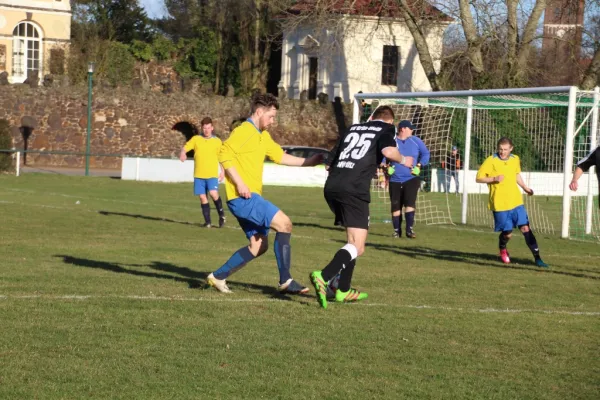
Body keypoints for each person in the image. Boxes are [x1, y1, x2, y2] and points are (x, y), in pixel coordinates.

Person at [207, 93, 324, 294]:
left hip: (249, 198)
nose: (272, 121)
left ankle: (217, 277)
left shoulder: (262, 135)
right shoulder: (245, 130)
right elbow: (223, 153)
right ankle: (285, 281)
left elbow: (280, 156)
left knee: (258, 245)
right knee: (285, 224)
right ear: (259, 111)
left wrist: (310, 162)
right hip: (244, 197)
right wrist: (240, 183)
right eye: (270, 116)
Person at [308, 106, 414, 309]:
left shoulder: (353, 128)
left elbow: (329, 163)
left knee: (353, 243)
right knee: (358, 245)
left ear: (372, 117)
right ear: (390, 122)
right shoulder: (386, 130)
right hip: (354, 189)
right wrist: (404, 160)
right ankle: (325, 276)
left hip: (332, 186)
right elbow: (389, 151)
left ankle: (343, 290)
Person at [475, 137, 548, 268]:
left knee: (525, 228)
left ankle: (538, 259)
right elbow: (479, 178)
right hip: (499, 204)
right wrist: (494, 178)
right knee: (508, 233)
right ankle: (502, 248)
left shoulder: (515, 159)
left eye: (505, 149)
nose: (502, 152)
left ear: (511, 149)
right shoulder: (491, 160)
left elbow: (516, 175)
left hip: (516, 201)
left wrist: (525, 187)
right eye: (500, 149)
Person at [385, 120, 430, 239]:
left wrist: (420, 165)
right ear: (403, 129)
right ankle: (396, 231)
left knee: (410, 203)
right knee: (396, 206)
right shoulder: (392, 141)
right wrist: (386, 167)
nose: (412, 130)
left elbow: (426, 154)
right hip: (395, 179)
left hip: (411, 178)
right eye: (410, 128)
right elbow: (384, 156)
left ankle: (409, 230)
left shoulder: (416, 141)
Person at [179, 117, 226, 228]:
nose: (206, 130)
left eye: (208, 128)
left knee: (213, 194)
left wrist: (223, 171)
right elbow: (185, 147)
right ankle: (208, 222)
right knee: (202, 197)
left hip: (211, 174)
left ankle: (222, 216)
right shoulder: (196, 139)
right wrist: (183, 153)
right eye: (204, 128)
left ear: (212, 128)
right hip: (198, 175)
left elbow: (222, 157)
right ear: (202, 128)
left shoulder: (217, 142)